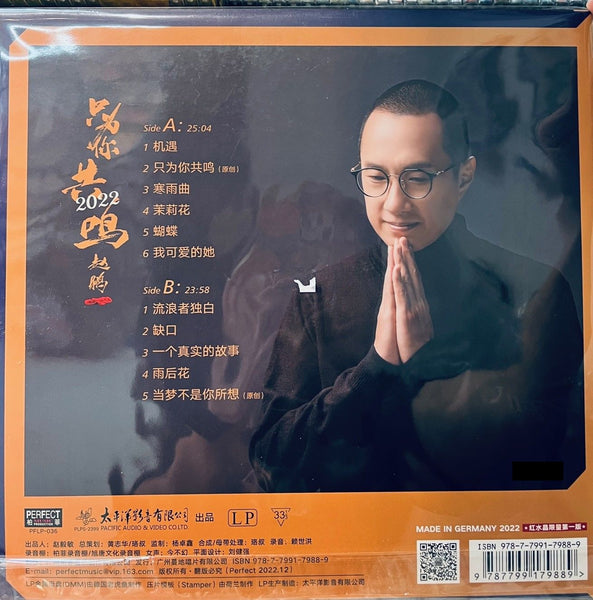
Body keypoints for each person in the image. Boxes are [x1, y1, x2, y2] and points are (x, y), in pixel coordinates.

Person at [249, 79, 583, 493]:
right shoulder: (319, 295)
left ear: (464, 177)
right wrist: (377, 367)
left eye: (418, 177)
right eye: (376, 177)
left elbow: (555, 468)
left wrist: (426, 383)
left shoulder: (532, 293)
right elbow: (270, 465)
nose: (393, 204)